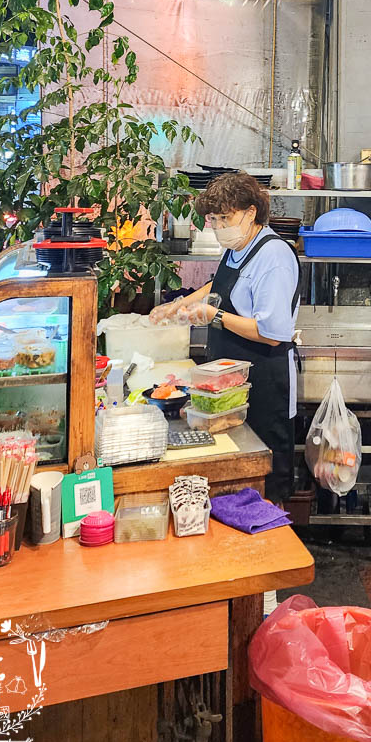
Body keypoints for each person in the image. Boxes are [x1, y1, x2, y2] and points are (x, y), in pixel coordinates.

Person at [150, 172, 300, 504]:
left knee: (262, 476)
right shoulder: (238, 247)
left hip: (264, 383)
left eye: (225, 217)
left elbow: (271, 334)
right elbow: (218, 286)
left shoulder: (273, 257)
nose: (218, 226)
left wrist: (213, 316)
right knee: (232, 473)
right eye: (213, 219)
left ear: (251, 212)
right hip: (231, 379)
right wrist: (179, 304)